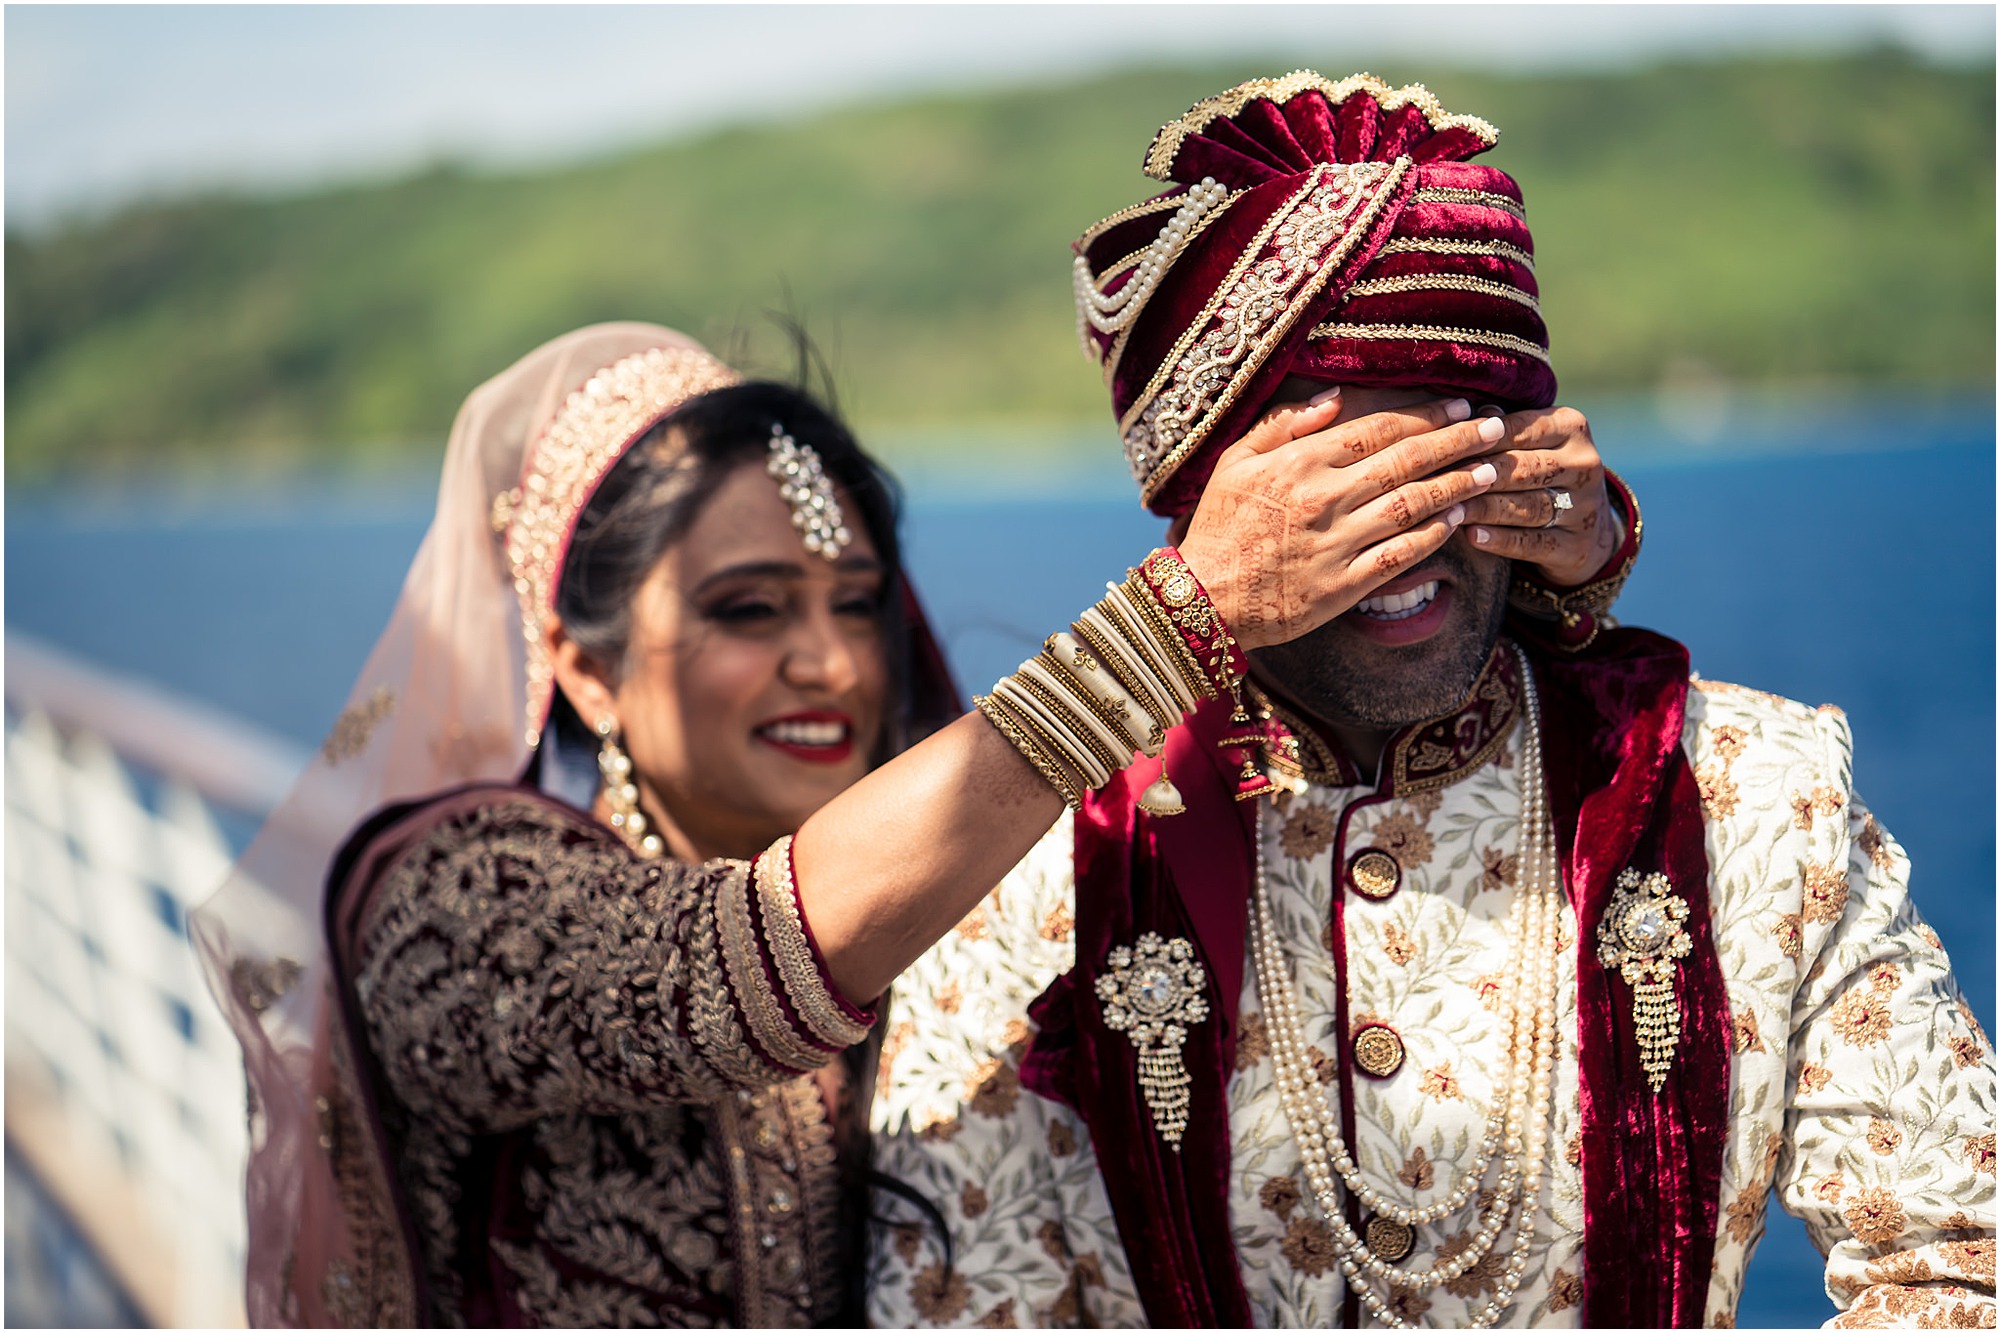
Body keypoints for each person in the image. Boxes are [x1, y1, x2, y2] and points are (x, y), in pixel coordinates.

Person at [866, 73, 1996, 1328]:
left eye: (1454, 459)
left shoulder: (1748, 796)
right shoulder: (1033, 867)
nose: (1403, 540)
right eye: (1339, 489)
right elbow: (952, 1299)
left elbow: (1958, 1256)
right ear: (1206, 519)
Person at [193, 317, 1509, 1326]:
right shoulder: (456, 900)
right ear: (582, 666)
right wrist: (1180, 616)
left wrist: (1532, 571)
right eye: (750, 610)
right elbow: (720, 970)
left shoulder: (947, 901)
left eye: (857, 601)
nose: (829, 663)